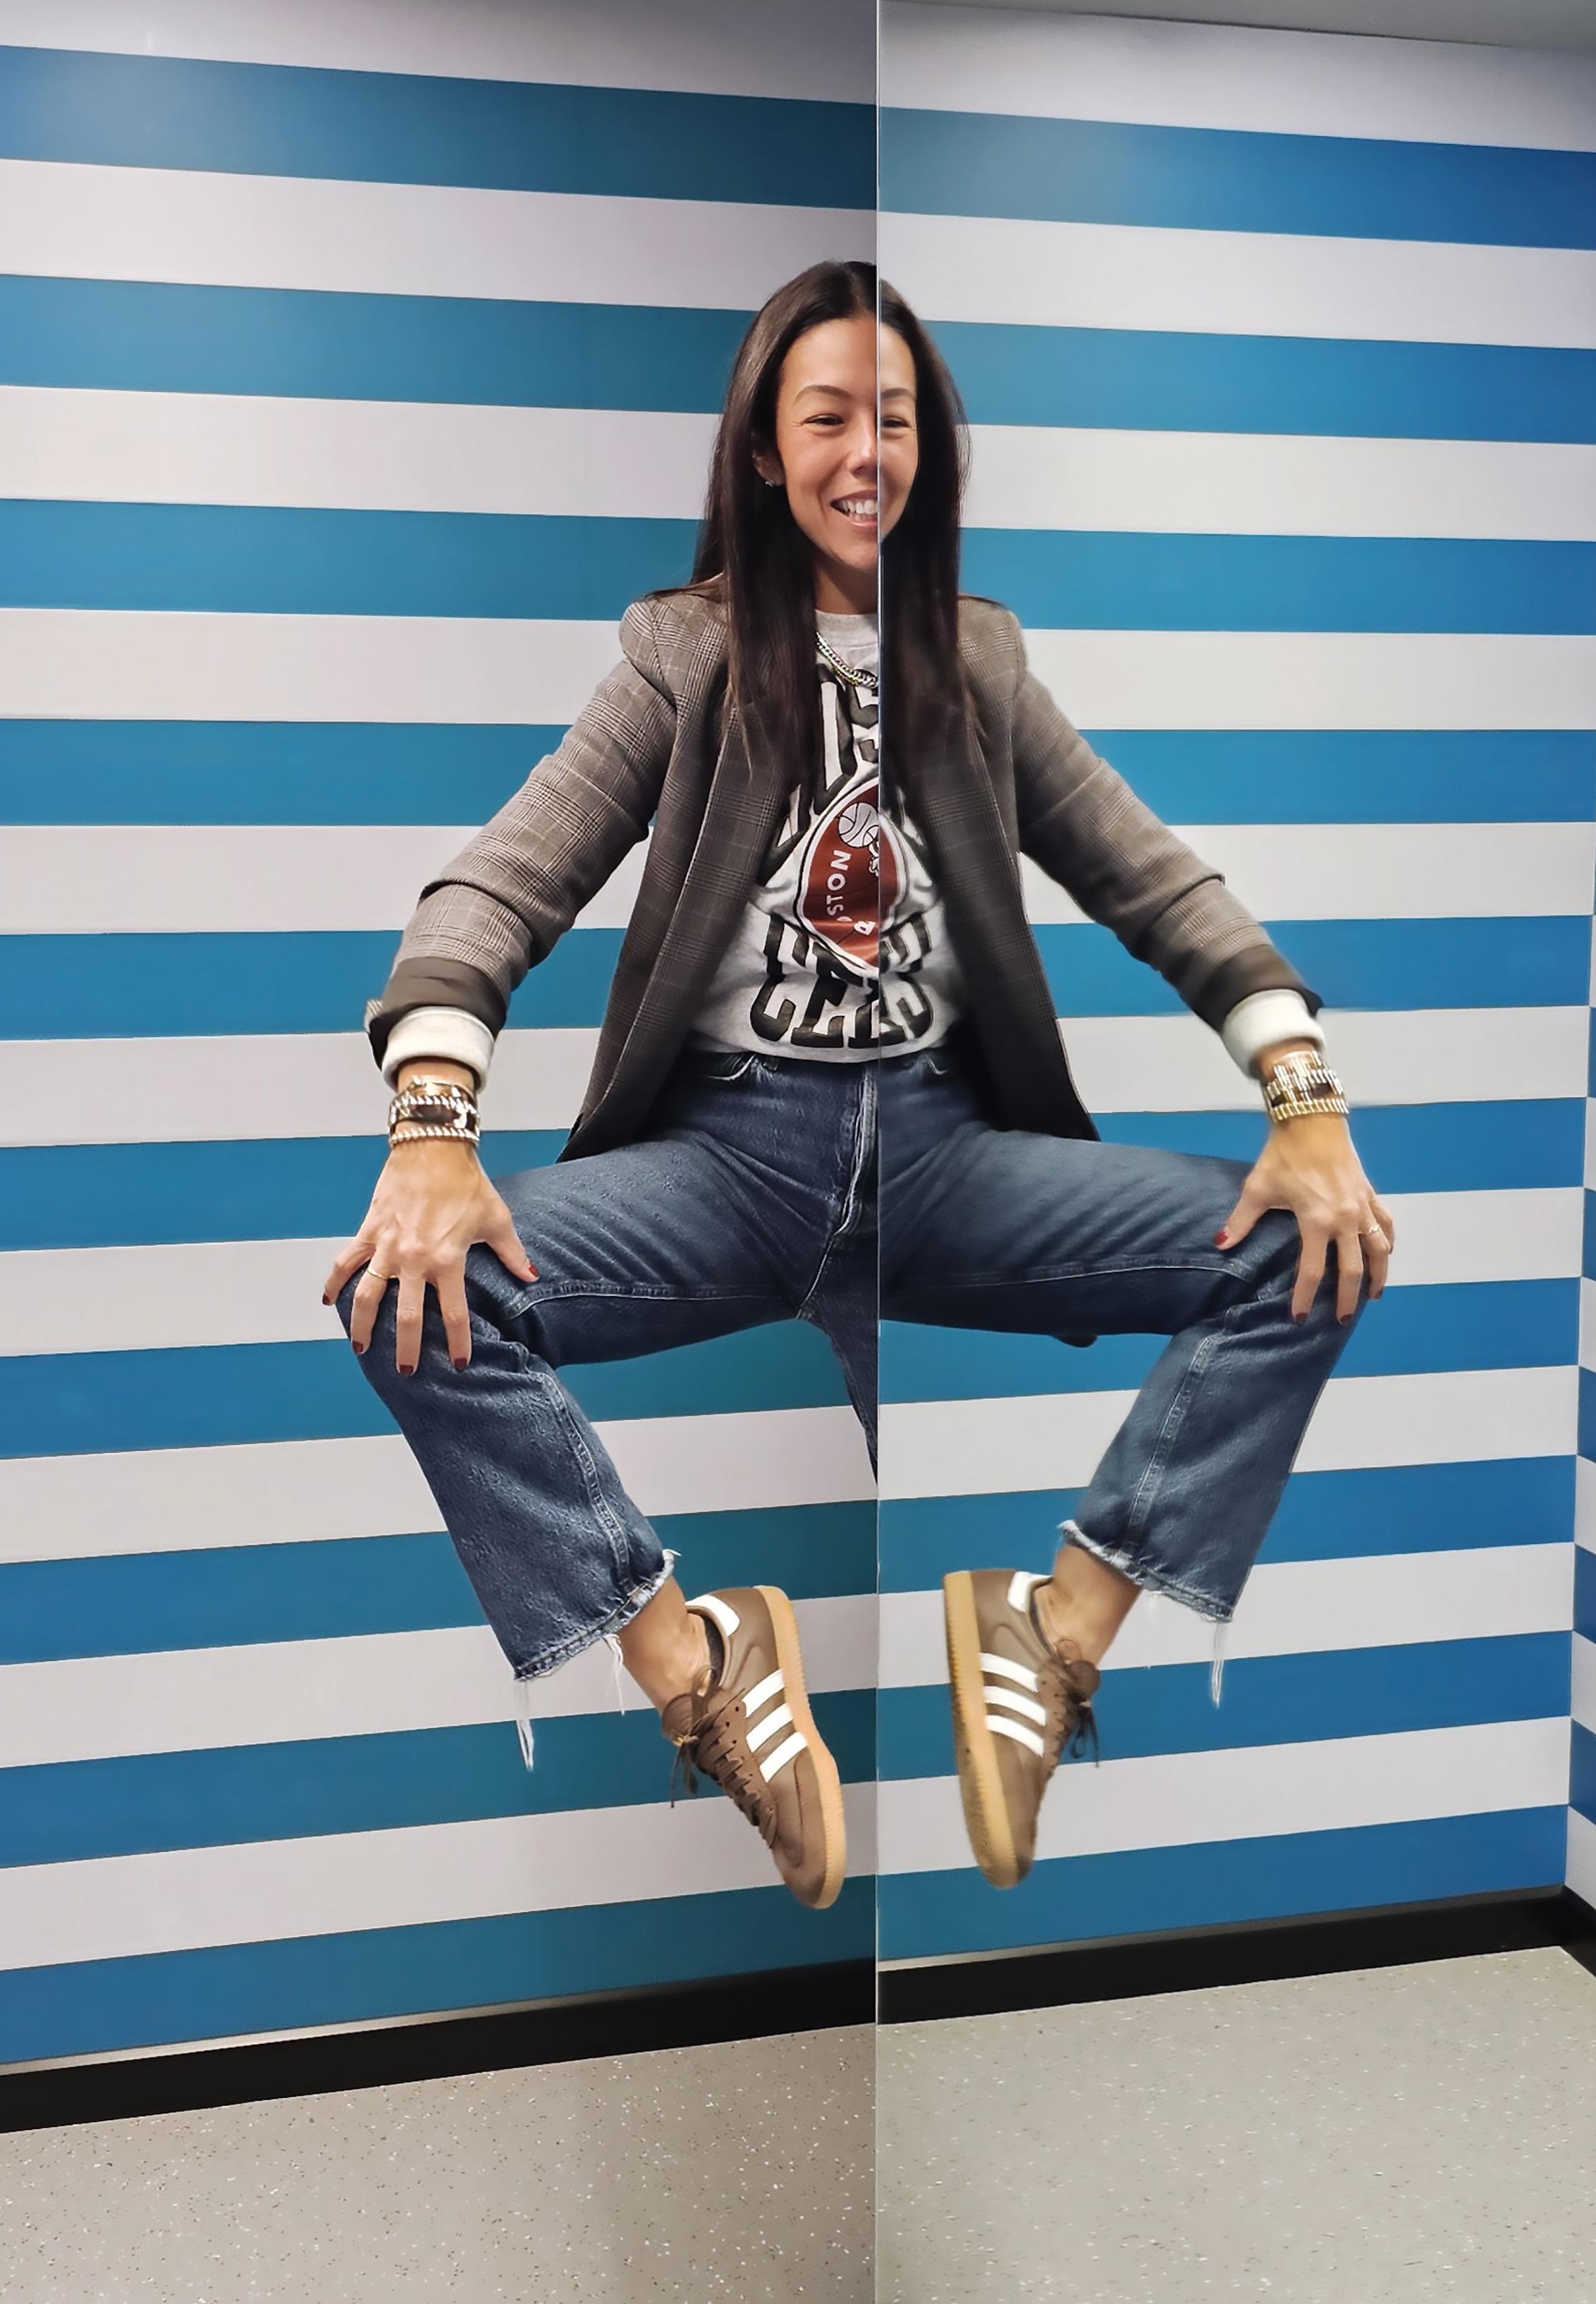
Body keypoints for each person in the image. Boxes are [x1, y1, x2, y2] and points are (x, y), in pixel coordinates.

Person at [324, 259, 1393, 1911]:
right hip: (731, 1162)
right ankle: (699, 1665)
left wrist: (1305, 1098)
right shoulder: (680, 654)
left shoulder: (980, 660)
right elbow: (497, 885)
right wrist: (431, 1128)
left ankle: (1054, 1631)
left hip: (952, 1164)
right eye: (826, 417)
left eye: (894, 418)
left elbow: (1157, 881)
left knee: (1312, 1248)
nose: (863, 451)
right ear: (765, 451)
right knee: (409, 1293)